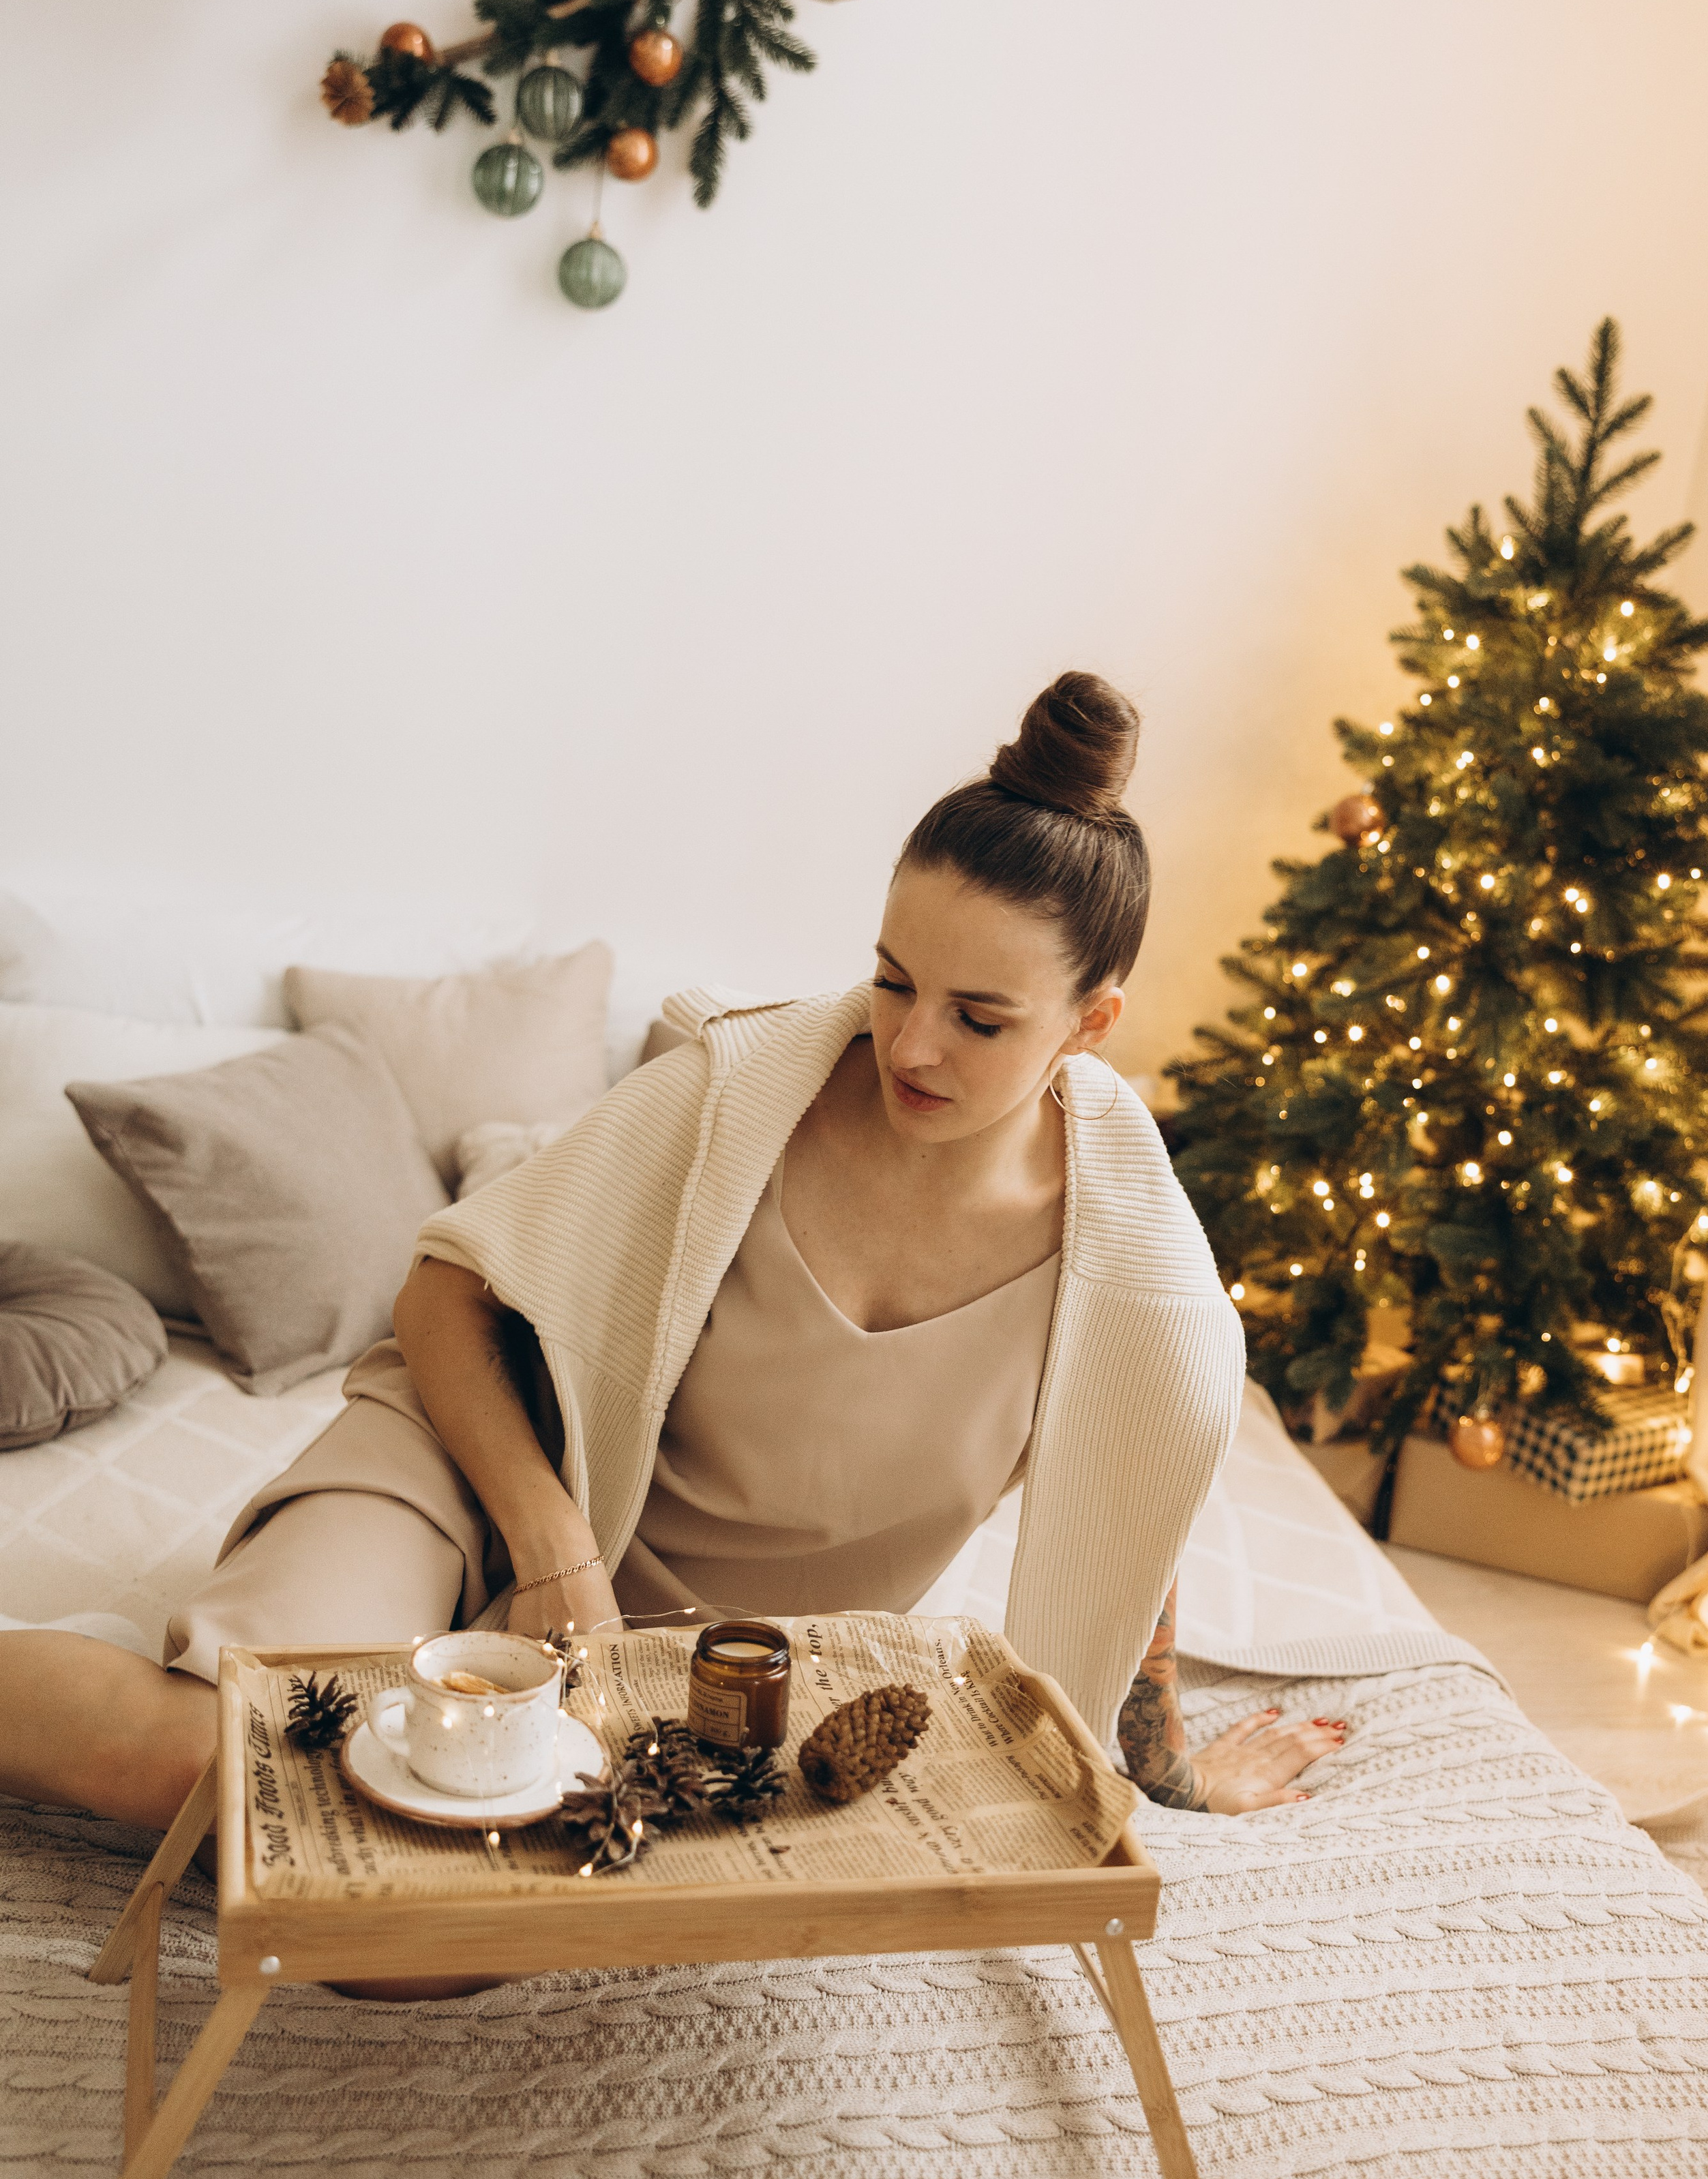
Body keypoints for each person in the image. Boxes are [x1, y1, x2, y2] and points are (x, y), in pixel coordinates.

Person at [0, 674, 1340, 1844]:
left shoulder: (1126, 1264)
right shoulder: (739, 1089)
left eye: (978, 1018)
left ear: (1091, 1023)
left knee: (445, 1908)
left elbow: (1133, 1494)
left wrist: (1158, 1765)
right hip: (477, 1477)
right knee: (225, 1759)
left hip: (682, 1668)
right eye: (891, 981)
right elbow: (445, 1290)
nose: (910, 1046)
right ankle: (161, 1672)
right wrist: (550, 1542)